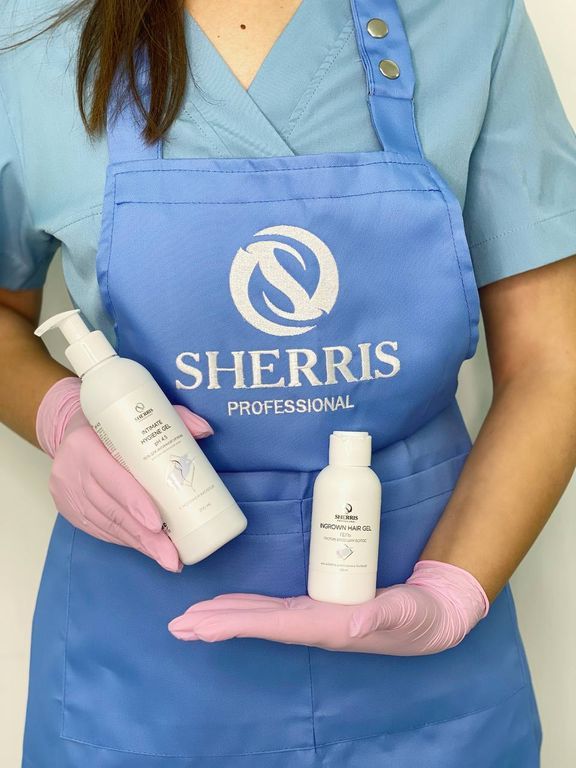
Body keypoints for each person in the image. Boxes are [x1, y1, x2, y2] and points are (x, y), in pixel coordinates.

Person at [1, 0, 575, 765]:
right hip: (142, 677)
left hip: (434, 667)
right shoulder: (28, 36)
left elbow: (552, 360)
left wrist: (448, 595)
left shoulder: (467, 19)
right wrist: (60, 414)